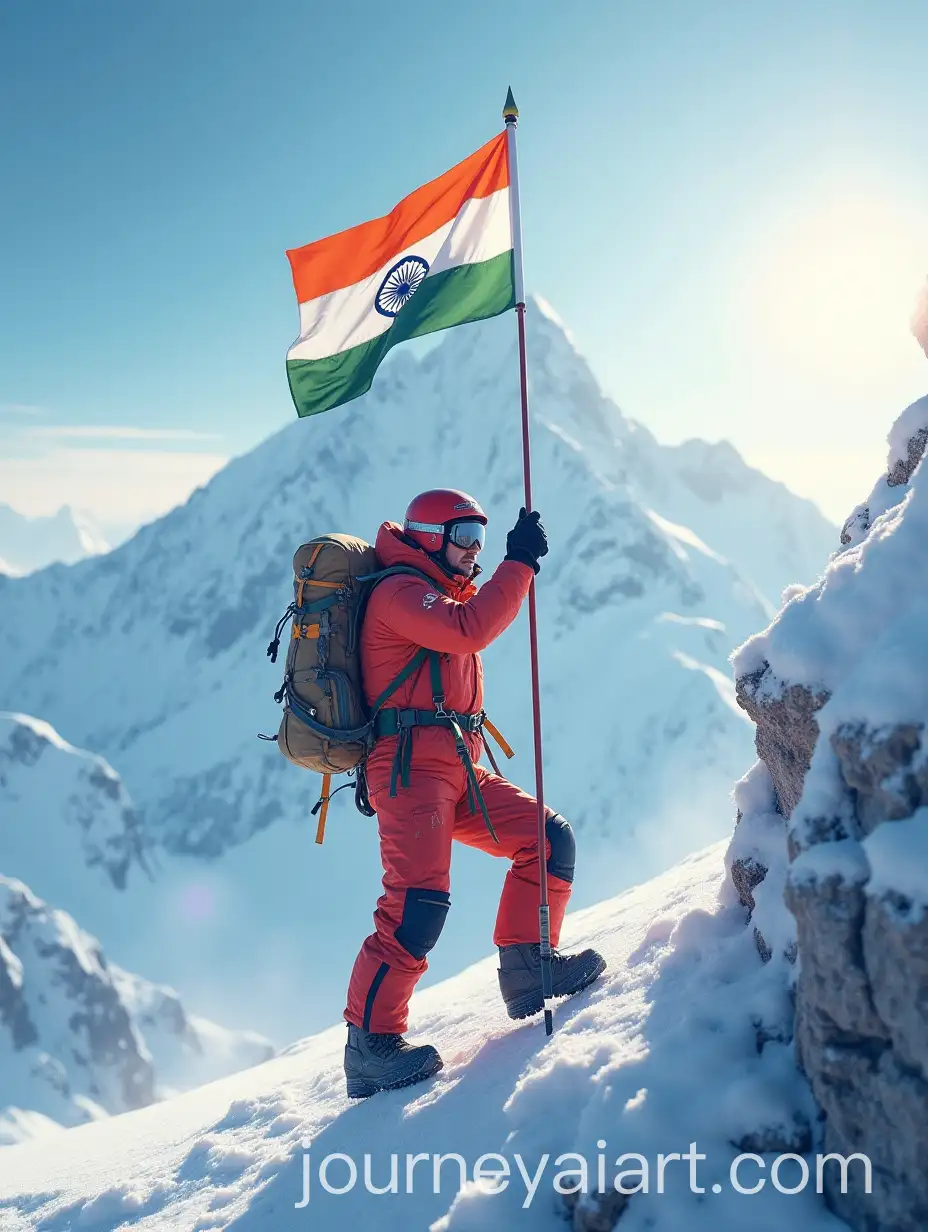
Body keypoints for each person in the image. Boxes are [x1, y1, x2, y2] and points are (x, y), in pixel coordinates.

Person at [343, 489, 605, 1098]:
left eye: (481, 540)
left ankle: (529, 969)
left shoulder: (436, 591)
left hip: (456, 765)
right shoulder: (399, 592)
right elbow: (471, 630)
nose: (474, 552)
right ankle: (370, 1046)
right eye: (464, 537)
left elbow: (467, 625)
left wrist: (511, 566)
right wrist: (519, 564)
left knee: (546, 839)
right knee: (415, 907)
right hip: (410, 772)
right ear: (430, 536)